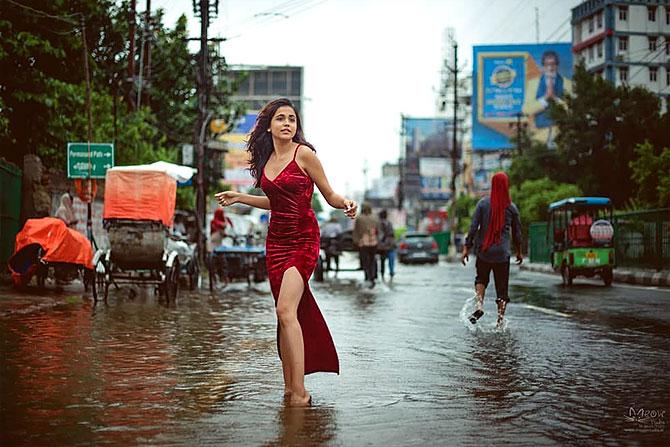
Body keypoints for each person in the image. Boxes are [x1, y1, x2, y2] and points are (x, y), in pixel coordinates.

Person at [215, 98, 357, 407]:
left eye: (292, 118)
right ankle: (289, 388)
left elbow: (328, 194)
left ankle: (300, 392)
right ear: (269, 125)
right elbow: (275, 202)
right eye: (280, 118)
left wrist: (346, 202)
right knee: (284, 316)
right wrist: (241, 196)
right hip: (275, 242)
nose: (287, 123)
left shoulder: (303, 154)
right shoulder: (266, 162)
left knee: (284, 311)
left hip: (303, 240)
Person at [461, 172, 523, 328]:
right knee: (502, 288)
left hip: (484, 251)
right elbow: (517, 233)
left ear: (493, 185)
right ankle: (500, 321)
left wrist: (466, 248)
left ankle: (479, 306)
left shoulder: (482, 204)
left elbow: (473, 227)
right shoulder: (511, 207)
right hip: (502, 253)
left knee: (481, 279)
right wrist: (519, 251)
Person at [522, 50, 572, 146]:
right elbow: (526, 110)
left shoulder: (567, 84)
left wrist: (555, 98)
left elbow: (571, 109)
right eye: (547, 64)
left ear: (557, 65)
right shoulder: (533, 84)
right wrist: (545, 99)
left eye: (553, 64)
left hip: (562, 133)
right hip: (539, 134)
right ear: (542, 67)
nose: (550, 68)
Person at [353, 203, 378, 288]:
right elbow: (378, 230)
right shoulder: (375, 218)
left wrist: (356, 241)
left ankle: (367, 277)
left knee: (365, 261)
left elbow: (356, 231)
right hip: (374, 242)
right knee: (372, 259)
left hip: (364, 242)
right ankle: (373, 277)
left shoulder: (359, 218)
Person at [377, 209, 396, 280]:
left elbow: (379, 235)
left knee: (382, 260)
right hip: (389, 245)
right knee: (391, 259)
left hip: (382, 246)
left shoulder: (378, 223)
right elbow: (392, 234)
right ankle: (391, 272)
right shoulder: (389, 223)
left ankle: (382, 274)